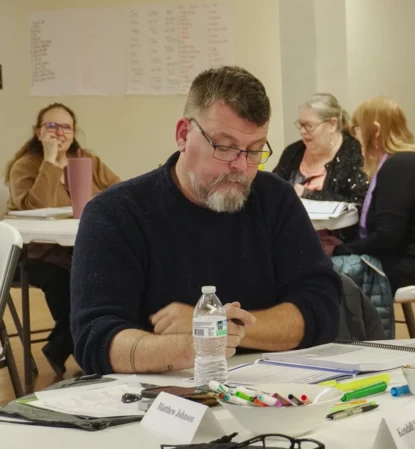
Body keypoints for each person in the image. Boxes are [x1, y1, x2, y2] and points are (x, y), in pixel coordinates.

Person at [70, 66, 341, 377]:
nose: (240, 166)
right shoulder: (116, 213)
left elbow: (321, 308)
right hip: (155, 399)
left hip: (269, 387)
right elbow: (95, 340)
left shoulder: (274, 200)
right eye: (224, 147)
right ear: (183, 135)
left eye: (254, 151)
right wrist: (192, 346)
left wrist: (217, 327)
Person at [5, 103, 120, 376]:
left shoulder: (86, 160)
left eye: (65, 126)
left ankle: (62, 346)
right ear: (38, 132)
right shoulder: (25, 165)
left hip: (83, 248)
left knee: (113, 279)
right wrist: (50, 162)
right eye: (51, 126)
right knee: (67, 283)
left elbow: (119, 191)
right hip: (38, 253)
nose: (59, 132)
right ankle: (77, 346)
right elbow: (35, 207)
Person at [332, 96, 415, 290]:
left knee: (326, 272)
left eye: (357, 129)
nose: (355, 136)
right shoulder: (403, 162)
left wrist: (338, 250)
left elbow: (388, 237)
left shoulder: (401, 166)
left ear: (375, 131)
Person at [273, 93, 368, 204]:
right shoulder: (293, 152)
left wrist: (308, 194)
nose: (302, 132)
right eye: (300, 125)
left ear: (332, 124)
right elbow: (272, 189)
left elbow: (360, 202)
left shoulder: (355, 153)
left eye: (309, 126)